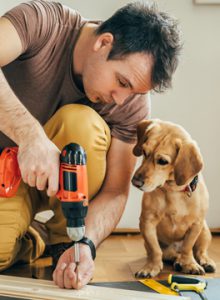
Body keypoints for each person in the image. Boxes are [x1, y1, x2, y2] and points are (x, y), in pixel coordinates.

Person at [0, 0, 181, 289]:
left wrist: (87, 242)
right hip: (6, 172)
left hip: (61, 191)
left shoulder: (130, 101)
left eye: (133, 91)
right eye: (121, 82)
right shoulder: (41, 21)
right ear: (103, 43)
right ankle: (35, 239)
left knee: (80, 123)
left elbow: (115, 191)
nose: (121, 99)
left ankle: (65, 241)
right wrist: (30, 137)